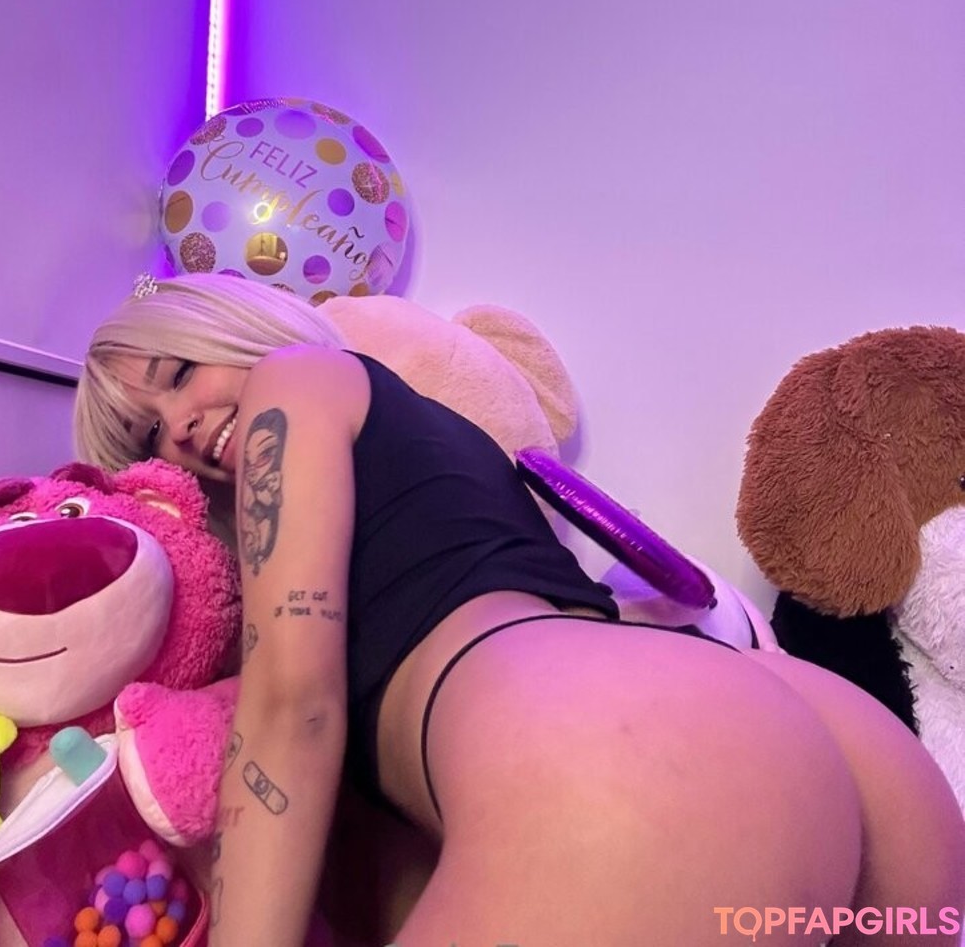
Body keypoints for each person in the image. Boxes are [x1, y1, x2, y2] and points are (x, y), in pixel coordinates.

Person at [74, 272, 964, 947]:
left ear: (234, 324)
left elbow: (290, 709)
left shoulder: (295, 380)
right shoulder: (429, 438)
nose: (177, 424)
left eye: (179, 372)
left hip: (626, 779)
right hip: (807, 728)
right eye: (146, 433)